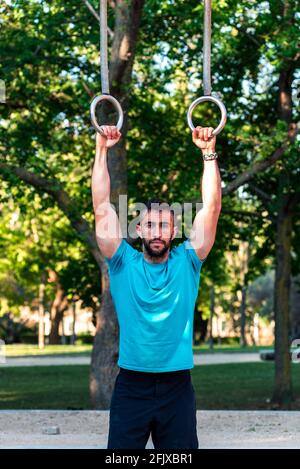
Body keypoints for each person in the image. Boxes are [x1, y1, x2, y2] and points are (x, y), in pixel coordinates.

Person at [91, 124, 221, 449]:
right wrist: (101, 148)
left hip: (177, 387)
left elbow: (212, 207)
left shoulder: (188, 261)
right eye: (150, 224)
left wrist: (208, 153)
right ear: (139, 229)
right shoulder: (122, 263)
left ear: (175, 229)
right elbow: (101, 206)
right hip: (131, 387)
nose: (157, 231)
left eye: (164, 224)